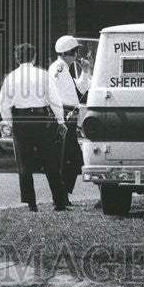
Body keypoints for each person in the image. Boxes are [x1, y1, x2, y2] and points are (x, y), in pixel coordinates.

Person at [0, 43, 69, 212]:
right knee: (51, 161)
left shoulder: (11, 78)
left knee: (24, 163)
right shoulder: (43, 75)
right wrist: (61, 121)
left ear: (17, 59)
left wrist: (9, 122)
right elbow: (54, 100)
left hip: (21, 120)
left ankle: (31, 203)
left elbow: (4, 104)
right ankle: (59, 202)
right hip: (41, 119)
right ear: (34, 57)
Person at [49, 35, 92, 194]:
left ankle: (64, 192)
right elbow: (55, 94)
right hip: (64, 115)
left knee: (73, 159)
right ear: (69, 52)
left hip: (70, 116)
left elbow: (80, 89)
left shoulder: (65, 69)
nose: (77, 55)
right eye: (75, 51)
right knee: (65, 158)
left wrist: (85, 71)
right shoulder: (58, 68)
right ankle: (61, 194)